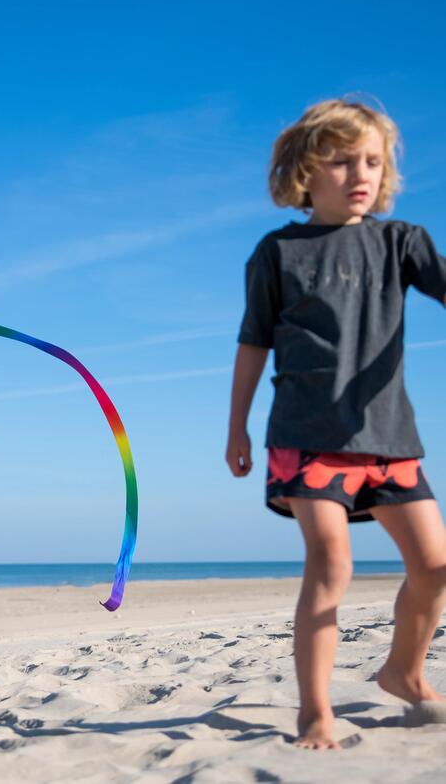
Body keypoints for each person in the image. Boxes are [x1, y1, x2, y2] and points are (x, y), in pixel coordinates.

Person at [225, 98, 446, 749]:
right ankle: (315, 711)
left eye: (373, 161)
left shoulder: (399, 241)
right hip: (305, 436)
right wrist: (236, 427)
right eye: (343, 159)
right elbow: (252, 343)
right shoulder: (278, 252)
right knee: (332, 561)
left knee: (436, 565)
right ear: (303, 169)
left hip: (390, 438)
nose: (362, 173)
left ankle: (403, 673)